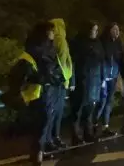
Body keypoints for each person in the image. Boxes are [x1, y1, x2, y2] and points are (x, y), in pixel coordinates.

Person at [4, 22, 63, 164]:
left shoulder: (50, 48)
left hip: (49, 92)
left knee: (45, 122)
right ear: (44, 33)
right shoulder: (32, 51)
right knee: (40, 123)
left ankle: (39, 150)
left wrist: (57, 79)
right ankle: (37, 152)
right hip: (36, 94)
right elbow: (18, 74)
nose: (53, 34)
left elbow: (55, 68)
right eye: (51, 32)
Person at [68, 21, 104, 145]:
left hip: (94, 79)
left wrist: (101, 78)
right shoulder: (77, 43)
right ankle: (76, 135)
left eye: (96, 30)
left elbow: (101, 59)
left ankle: (88, 133)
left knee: (90, 107)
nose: (95, 32)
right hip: (81, 78)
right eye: (93, 30)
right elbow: (72, 62)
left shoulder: (97, 43)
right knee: (78, 108)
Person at [95, 23, 124, 137]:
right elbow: (101, 60)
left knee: (109, 101)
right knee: (101, 101)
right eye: (114, 29)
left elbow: (120, 59)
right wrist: (102, 77)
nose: (117, 32)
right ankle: (93, 125)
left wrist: (123, 74)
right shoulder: (102, 42)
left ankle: (105, 126)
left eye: (118, 29)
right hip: (103, 76)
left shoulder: (118, 43)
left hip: (113, 76)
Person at [49, 19, 73, 149]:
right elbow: (65, 62)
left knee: (54, 112)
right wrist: (67, 79)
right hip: (60, 82)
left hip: (58, 81)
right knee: (56, 112)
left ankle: (52, 138)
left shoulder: (54, 41)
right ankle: (54, 138)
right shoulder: (61, 41)